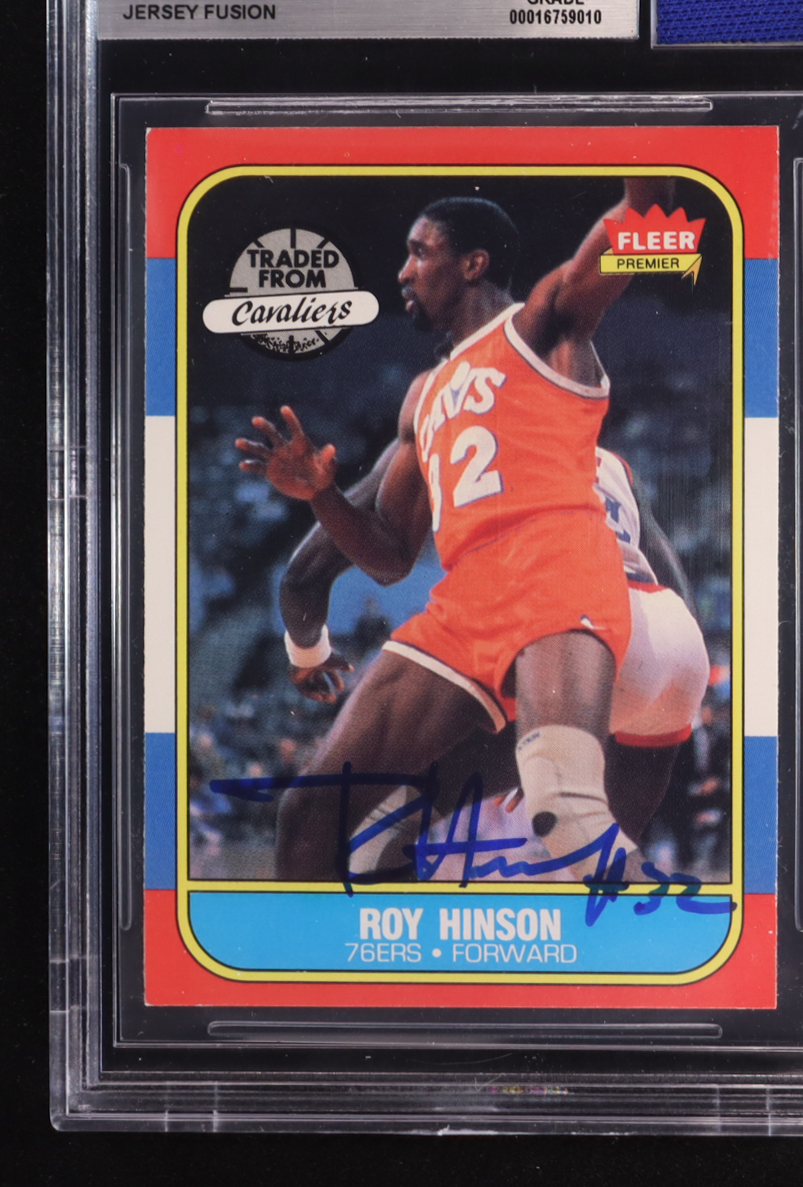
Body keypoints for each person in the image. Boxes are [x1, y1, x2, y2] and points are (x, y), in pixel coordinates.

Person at [236, 185, 672, 884]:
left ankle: (671, 943)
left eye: (420, 252)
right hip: (466, 595)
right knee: (311, 812)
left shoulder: (541, 325)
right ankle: (312, 959)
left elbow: (642, 227)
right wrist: (321, 496)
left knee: (568, 816)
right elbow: (388, 554)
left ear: (473, 265)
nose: (403, 271)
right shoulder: (424, 394)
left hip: (556, 569)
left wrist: (654, 171)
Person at [270, 440, 710, 878]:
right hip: (668, 641)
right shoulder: (607, 460)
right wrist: (570, 726)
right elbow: (674, 592)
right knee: (601, 863)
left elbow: (305, 575)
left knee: (360, 819)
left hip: (559, 625)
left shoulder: (441, 423)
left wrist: (307, 653)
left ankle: (350, 931)